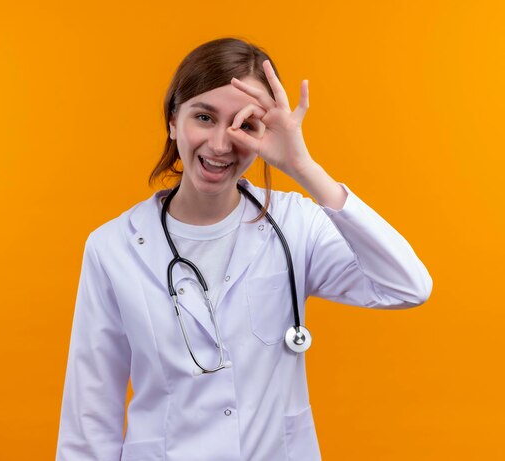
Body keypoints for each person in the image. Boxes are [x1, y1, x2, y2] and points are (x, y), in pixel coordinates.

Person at [55, 37, 432, 461]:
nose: (220, 144)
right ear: (172, 121)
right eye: (204, 117)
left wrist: (303, 167)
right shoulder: (112, 248)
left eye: (245, 125)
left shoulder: (295, 225)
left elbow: (406, 286)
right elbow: (90, 416)